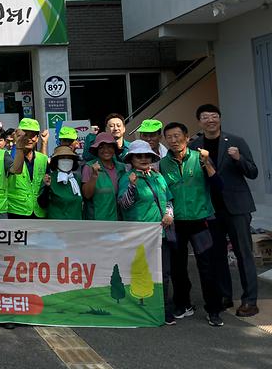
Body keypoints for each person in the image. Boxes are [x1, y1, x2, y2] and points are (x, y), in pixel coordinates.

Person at [190, 103, 260, 317]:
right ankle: (224, 296)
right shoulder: (195, 145)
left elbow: (253, 172)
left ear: (220, 118)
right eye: (205, 117)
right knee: (217, 254)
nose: (210, 120)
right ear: (199, 121)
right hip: (210, 208)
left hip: (237, 207)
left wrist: (239, 159)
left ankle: (250, 300)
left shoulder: (236, 141)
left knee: (243, 253)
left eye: (214, 116)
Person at [159, 122, 224, 327]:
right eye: (169, 137)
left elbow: (218, 185)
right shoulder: (162, 164)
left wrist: (208, 164)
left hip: (200, 219)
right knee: (178, 268)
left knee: (206, 266)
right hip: (176, 223)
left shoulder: (199, 157)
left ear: (187, 137)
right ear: (165, 140)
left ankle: (213, 309)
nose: (174, 140)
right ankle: (182, 304)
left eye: (177, 135)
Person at [117, 140, 176, 325]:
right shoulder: (127, 178)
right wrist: (132, 186)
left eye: (146, 156)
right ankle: (140, 309)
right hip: (139, 235)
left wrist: (169, 214)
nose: (143, 159)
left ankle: (164, 309)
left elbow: (168, 200)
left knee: (164, 273)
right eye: (139, 156)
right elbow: (124, 204)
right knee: (140, 272)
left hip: (161, 233)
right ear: (131, 159)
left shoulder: (158, 177)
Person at [7, 118, 47, 220]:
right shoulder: (8, 156)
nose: (29, 139)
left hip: (39, 213)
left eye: (32, 135)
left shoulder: (43, 159)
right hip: (16, 212)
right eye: (25, 135)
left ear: (37, 138)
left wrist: (44, 144)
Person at [81, 133, 124, 221]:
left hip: (119, 221)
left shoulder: (121, 168)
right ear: (96, 150)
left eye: (109, 147)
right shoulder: (89, 167)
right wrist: (94, 176)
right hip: (97, 222)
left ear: (114, 149)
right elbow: (87, 195)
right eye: (101, 147)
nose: (106, 150)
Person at [38, 145, 83, 220]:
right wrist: (47, 187)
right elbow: (42, 204)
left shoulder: (76, 179)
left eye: (69, 158)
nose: (66, 160)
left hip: (76, 224)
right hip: (57, 226)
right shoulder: (49, 178)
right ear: (56, 161)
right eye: (62, 158)